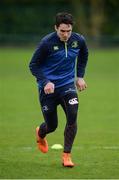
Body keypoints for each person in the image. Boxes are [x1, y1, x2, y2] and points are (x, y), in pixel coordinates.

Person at [29, 12, 88, 167]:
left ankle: (66, 156)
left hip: (67, 85)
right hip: (48, 89)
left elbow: (84, 55)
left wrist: (80, 76)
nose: (66, 34)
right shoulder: (46, 43)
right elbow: (33, 65)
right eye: (62, 31)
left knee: (73, 114)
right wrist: (45, 81)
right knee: (52, 126)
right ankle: (40, 133)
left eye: (68, 31)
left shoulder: (79, 40)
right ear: (56, 28)